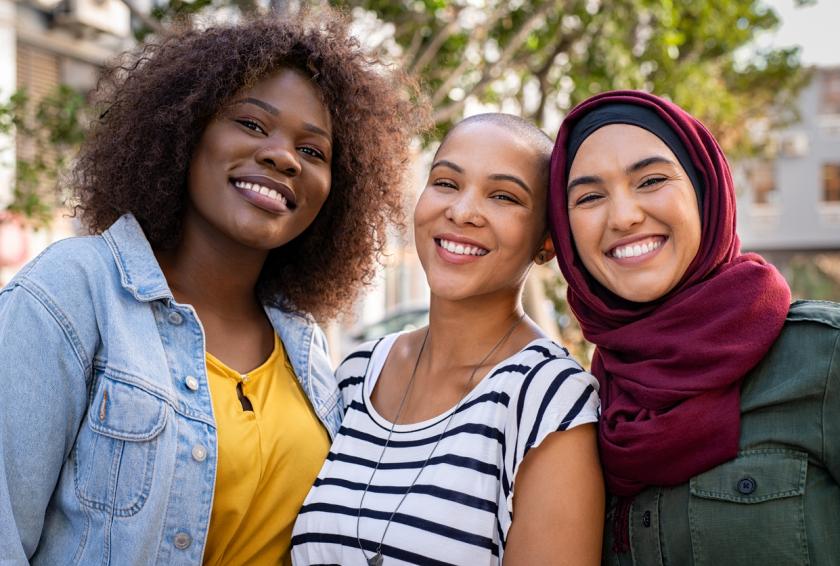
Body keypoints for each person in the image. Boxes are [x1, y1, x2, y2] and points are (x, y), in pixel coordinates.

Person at [0, 11, 424, 565]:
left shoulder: (306, 347)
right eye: (251, 124)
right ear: (186, 130)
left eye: (314, 151)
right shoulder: (73, 294)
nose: (282, 156)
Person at [291, 113, 604, 566]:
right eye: (445, 183)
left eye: (503, 196)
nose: (461, 211)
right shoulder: (358, 372)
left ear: (548, 242)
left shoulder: (549, 399)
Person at [548, 90, 840, 565]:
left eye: (652, 179)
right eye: (590, 196)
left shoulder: (823, 358)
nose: (623, 216)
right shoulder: (578, 409)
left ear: (706, 191)